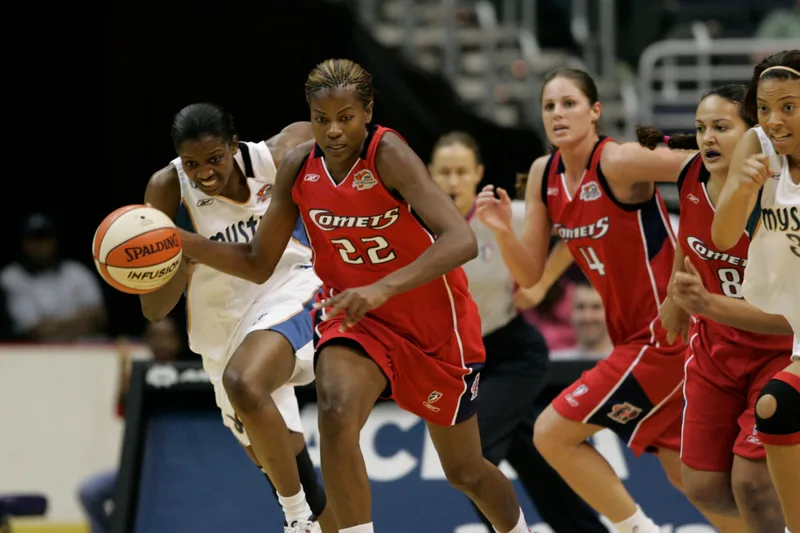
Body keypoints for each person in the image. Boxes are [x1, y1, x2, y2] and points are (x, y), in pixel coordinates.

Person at [176, 58, 530, 533]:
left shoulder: (389, 155)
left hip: (433, 324)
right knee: (336, 413)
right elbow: (260, 261)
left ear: (367, 112)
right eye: (322, 119)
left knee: (466, 471)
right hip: (355, 317)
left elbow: (460, 240)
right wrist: (181, 243)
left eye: (345, 118)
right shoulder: (300, 166)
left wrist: (383, 287)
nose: (333, 131)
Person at [475, 66, 731, 533]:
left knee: (551, 434)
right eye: (549, 105)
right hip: (631, 338)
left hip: (668, 332)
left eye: (569, 103)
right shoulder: (543, 173)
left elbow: (706, 165)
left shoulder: (618, 162)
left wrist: (749, 152)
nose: (557, 113)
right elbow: (530, 273)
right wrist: (499, 230)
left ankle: (637, 529)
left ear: (595, 111)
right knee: (687, 477)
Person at [140, 102, 334, 533]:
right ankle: (308, 515)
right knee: (289, 465)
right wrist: (176, 264)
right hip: (221, 331)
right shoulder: (166, 188)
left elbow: (257, 263)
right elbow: (153, 309)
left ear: (234, 144)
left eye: (215, 159)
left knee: (245, 381)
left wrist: (187, 242)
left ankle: (296, 520)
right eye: (192, 163)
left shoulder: (281, 153)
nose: (205, 172)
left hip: (291, 287)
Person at [429, 131, 606, 532]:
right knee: (531, 458)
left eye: (461, 171)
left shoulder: (506, 215)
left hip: (511, 353)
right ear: (429, 175)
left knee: (475, 458)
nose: (453, 181)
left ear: (477, 174)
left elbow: (583, 224)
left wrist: (541, 285)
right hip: (455, 362)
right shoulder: (416, 225)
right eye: (444, 172)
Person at [638, 83, 793, 532]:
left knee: (752, 483)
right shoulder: (691, 176)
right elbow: (690, 243)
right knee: (704, 488)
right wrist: (675, 297)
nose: (707, 138)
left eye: (721, 127)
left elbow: (790, 315)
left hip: (780, 353)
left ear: (753, 135)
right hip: (715, 350)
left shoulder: (779, 198)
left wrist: (707, 304)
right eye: (700, 128)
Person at [712, 50, 800, 533]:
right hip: (797, 327)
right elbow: (724, 236)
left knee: (778, 404)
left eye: (789, 106)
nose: (774, 120)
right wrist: (743, 190)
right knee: (776, 408)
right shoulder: (757, 146)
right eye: (765, 107)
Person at [77, 318, 185, 533]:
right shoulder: (139, 375)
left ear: (178, 341)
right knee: (89, 492)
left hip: (176, 470)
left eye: (167, 336)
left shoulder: (192, 373)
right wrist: (123, 368)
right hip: (139, 467)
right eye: (155, 336)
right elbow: (123, 412)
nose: (162, 342)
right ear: (147, 341)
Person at [549, 278, 613, 361]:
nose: (587, 317)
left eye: (596, 307)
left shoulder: (628, 365)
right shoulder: (554, 363)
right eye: (580, 307)